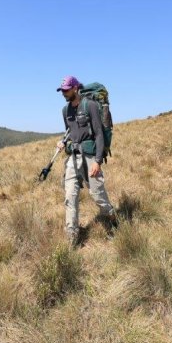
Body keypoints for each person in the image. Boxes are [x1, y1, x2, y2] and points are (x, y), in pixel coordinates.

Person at [56, 75, 116, 245]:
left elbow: (98, 134)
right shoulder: (65, 111)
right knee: (70, 196)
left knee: (97, 195)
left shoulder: (89, 105)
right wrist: (63, 142)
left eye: (67, 90)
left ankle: (113, 219)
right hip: (73, 158)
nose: (64, 93)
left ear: (75, 88)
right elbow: (70, 132)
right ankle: (72, 237)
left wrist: (97, 160)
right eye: (62, 90)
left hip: (90, 156)